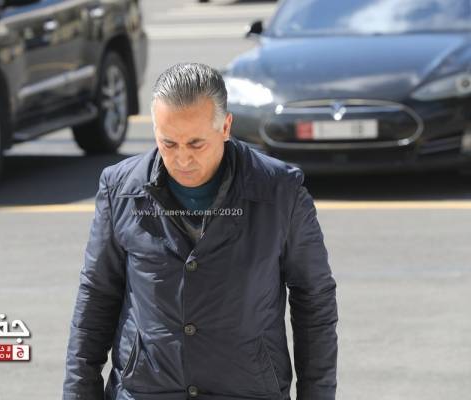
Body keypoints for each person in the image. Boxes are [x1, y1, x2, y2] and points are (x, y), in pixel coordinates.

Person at [63, 62, 338, 400]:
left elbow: (315, 299)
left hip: (247, 391)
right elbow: (96, 296)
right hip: (145, 391)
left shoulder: (281, 191)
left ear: (226, 127)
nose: (182, 159)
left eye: (196, 144)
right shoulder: (120, 189)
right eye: (168, 143)